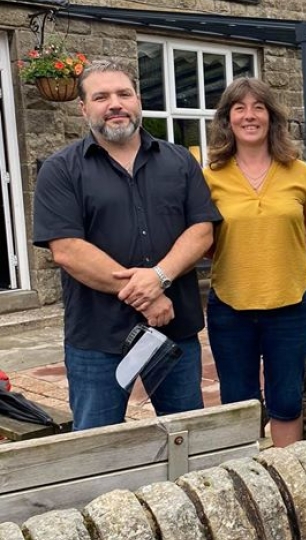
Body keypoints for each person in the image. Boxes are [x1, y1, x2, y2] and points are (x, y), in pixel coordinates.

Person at [33, 60, 222, 430]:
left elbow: (202, 230)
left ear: (138, 100)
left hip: (175, 331)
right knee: (97, 446)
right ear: (84, 108)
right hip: (97, 338)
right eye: (101, 96)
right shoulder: (61, 170)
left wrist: (160, 276)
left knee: (186, 438)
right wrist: (149, 294)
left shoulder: (179, 160)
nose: (115, 103)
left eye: (124, 93)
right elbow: (68, 249)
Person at [203, 78, 306, 447]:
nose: (249, 115)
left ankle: (287, 479)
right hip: (230, 307)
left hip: (289, 307)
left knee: (286, 400)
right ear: (227, 119)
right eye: (239, 108)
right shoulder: (209, 175)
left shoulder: (299, 171)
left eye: (258, 107)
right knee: (237, 402)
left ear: (272, 117)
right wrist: (240, 260)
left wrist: (284, 265)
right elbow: (206, 240)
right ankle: (246, 485)